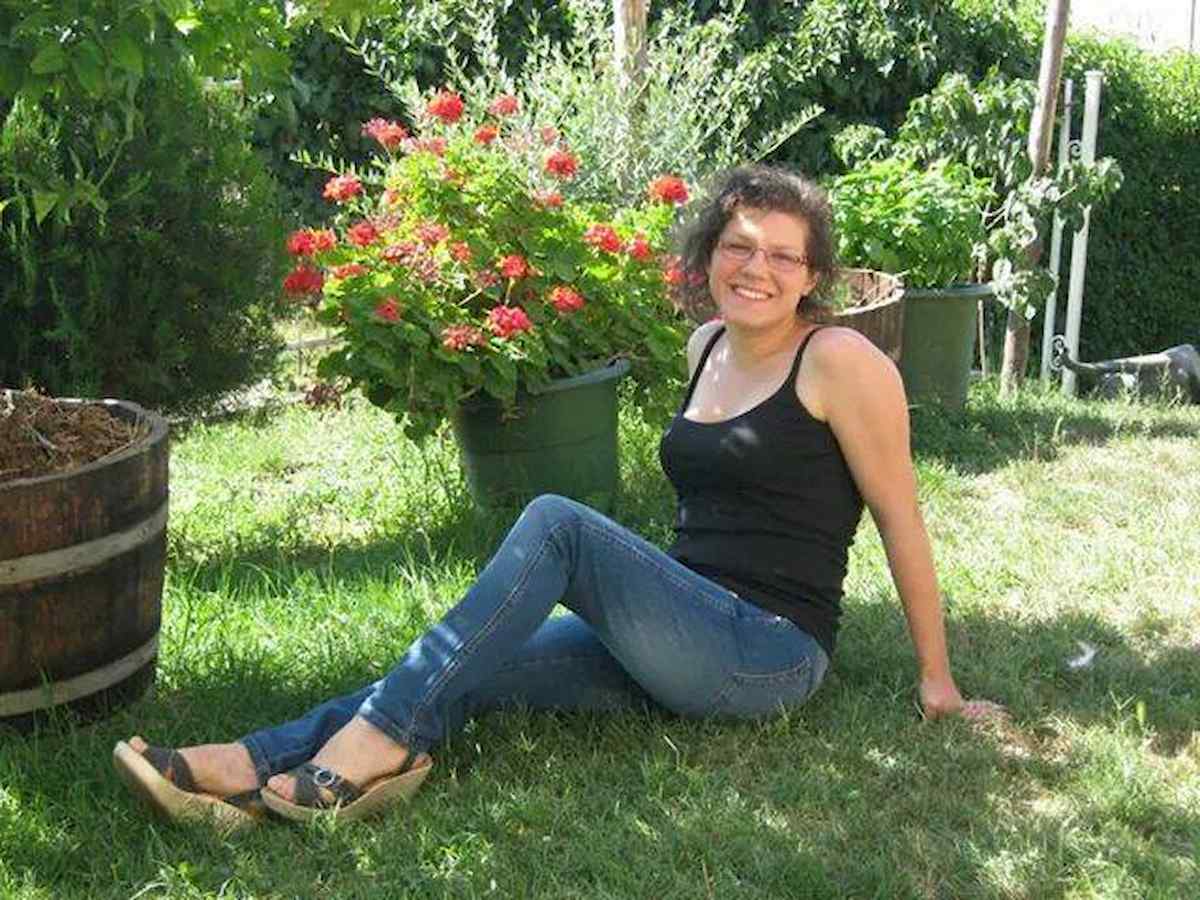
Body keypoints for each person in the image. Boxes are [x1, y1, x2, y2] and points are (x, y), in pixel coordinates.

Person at [113, 165, 1002, 829]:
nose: (755, 268)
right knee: (459, 662)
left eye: (782, 255)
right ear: (708, 255)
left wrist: (939, 683)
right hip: (679, 631)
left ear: (812, 276)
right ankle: (246, 767)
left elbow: (900, 517)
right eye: (738, 246)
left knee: (557, 525)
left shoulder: (841, 361)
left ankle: (371, 752)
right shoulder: (705, 347)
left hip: (765, 654)